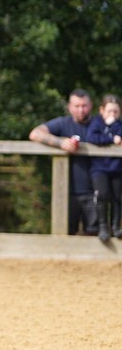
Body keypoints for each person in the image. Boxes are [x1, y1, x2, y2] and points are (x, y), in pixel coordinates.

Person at [29, 89, 96, 235]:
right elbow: (35, 133)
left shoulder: (99, 125)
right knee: (65, 232)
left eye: (84, 105)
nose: (81, 110)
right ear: (69, 107)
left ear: (90, 106)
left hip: (94, 191)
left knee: (95, 234)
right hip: (66, 191)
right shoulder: (62, 123)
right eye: (77, 106)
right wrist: (60, 142)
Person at [84, 94, 122, 242]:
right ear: (101, 110)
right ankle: (103, 226)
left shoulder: (119, 124)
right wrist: (111, 138)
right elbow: (92, 138)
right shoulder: (96, 123)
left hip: (117, 168)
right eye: (109, 111)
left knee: (117, 198)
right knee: (102, 195)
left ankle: (116, 227)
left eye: (116, 112)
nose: (112, 115)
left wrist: (113, 125)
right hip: (100, 168)